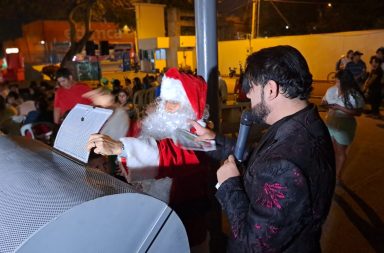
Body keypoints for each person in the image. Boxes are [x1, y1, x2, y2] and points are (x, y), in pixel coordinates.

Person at [192, 45, 336, 252]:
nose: (248, 95)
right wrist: (214, 141)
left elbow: (253, 244)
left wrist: (229, 185)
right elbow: (263, 162)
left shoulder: (287, 162)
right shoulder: (303, 123)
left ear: (270, 89)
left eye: (251, 87)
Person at [86, 68, 213, 249]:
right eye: (165, 100)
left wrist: (121, 147)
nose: (166, 107)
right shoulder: (156, 126)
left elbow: (173, 154)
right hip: (154, 218)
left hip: (184, 227)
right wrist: (112, 108)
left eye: (174, 103)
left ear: (190, 107)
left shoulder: (201, 135)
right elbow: (134, 134)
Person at [321, 69, 364, 181]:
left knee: (340, 151)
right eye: (336, 79)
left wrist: (339, 107)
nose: (336, 82)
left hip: (345, 124)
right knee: (330, 149)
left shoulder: (354, 94)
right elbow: (323, 102)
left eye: (338, 80)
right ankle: (330, 171)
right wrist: (325, 104)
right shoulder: (331, 90)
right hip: (330, 122)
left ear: (344, 81)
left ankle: (337, 176)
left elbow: (358, 112)